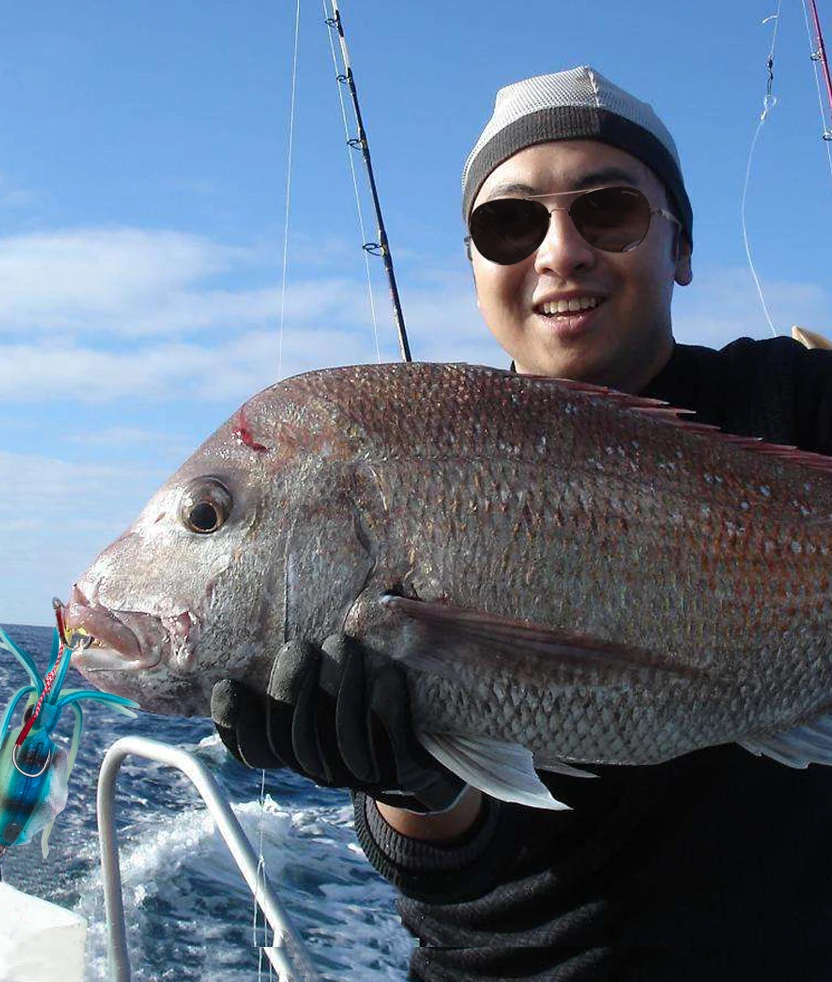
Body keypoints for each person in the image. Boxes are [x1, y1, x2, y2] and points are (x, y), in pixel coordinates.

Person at [211, 66, 832, 981]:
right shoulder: (417, 456)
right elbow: (454, 862)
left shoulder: (800, 401)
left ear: (682, 247)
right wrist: (412, 780)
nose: (560, 252)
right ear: (475, 269)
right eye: (510, 225)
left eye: (610, 212)